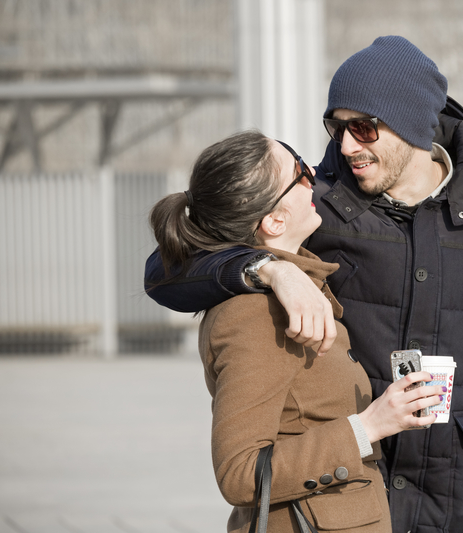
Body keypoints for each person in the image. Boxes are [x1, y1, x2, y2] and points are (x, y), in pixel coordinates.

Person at [146, 36, 463, 532]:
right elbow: (167, 267)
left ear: (412, 123)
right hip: (360, 495)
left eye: (363, 128)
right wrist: (267, 268)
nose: (345, 145)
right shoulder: (319, 205)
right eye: (335, 128)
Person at [148, 129, 444, 532]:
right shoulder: (255, 316)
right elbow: (240, 473)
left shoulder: (290, 283)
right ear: (274, 220)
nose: (314, 179)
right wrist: (369, 426)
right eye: (301, 171)